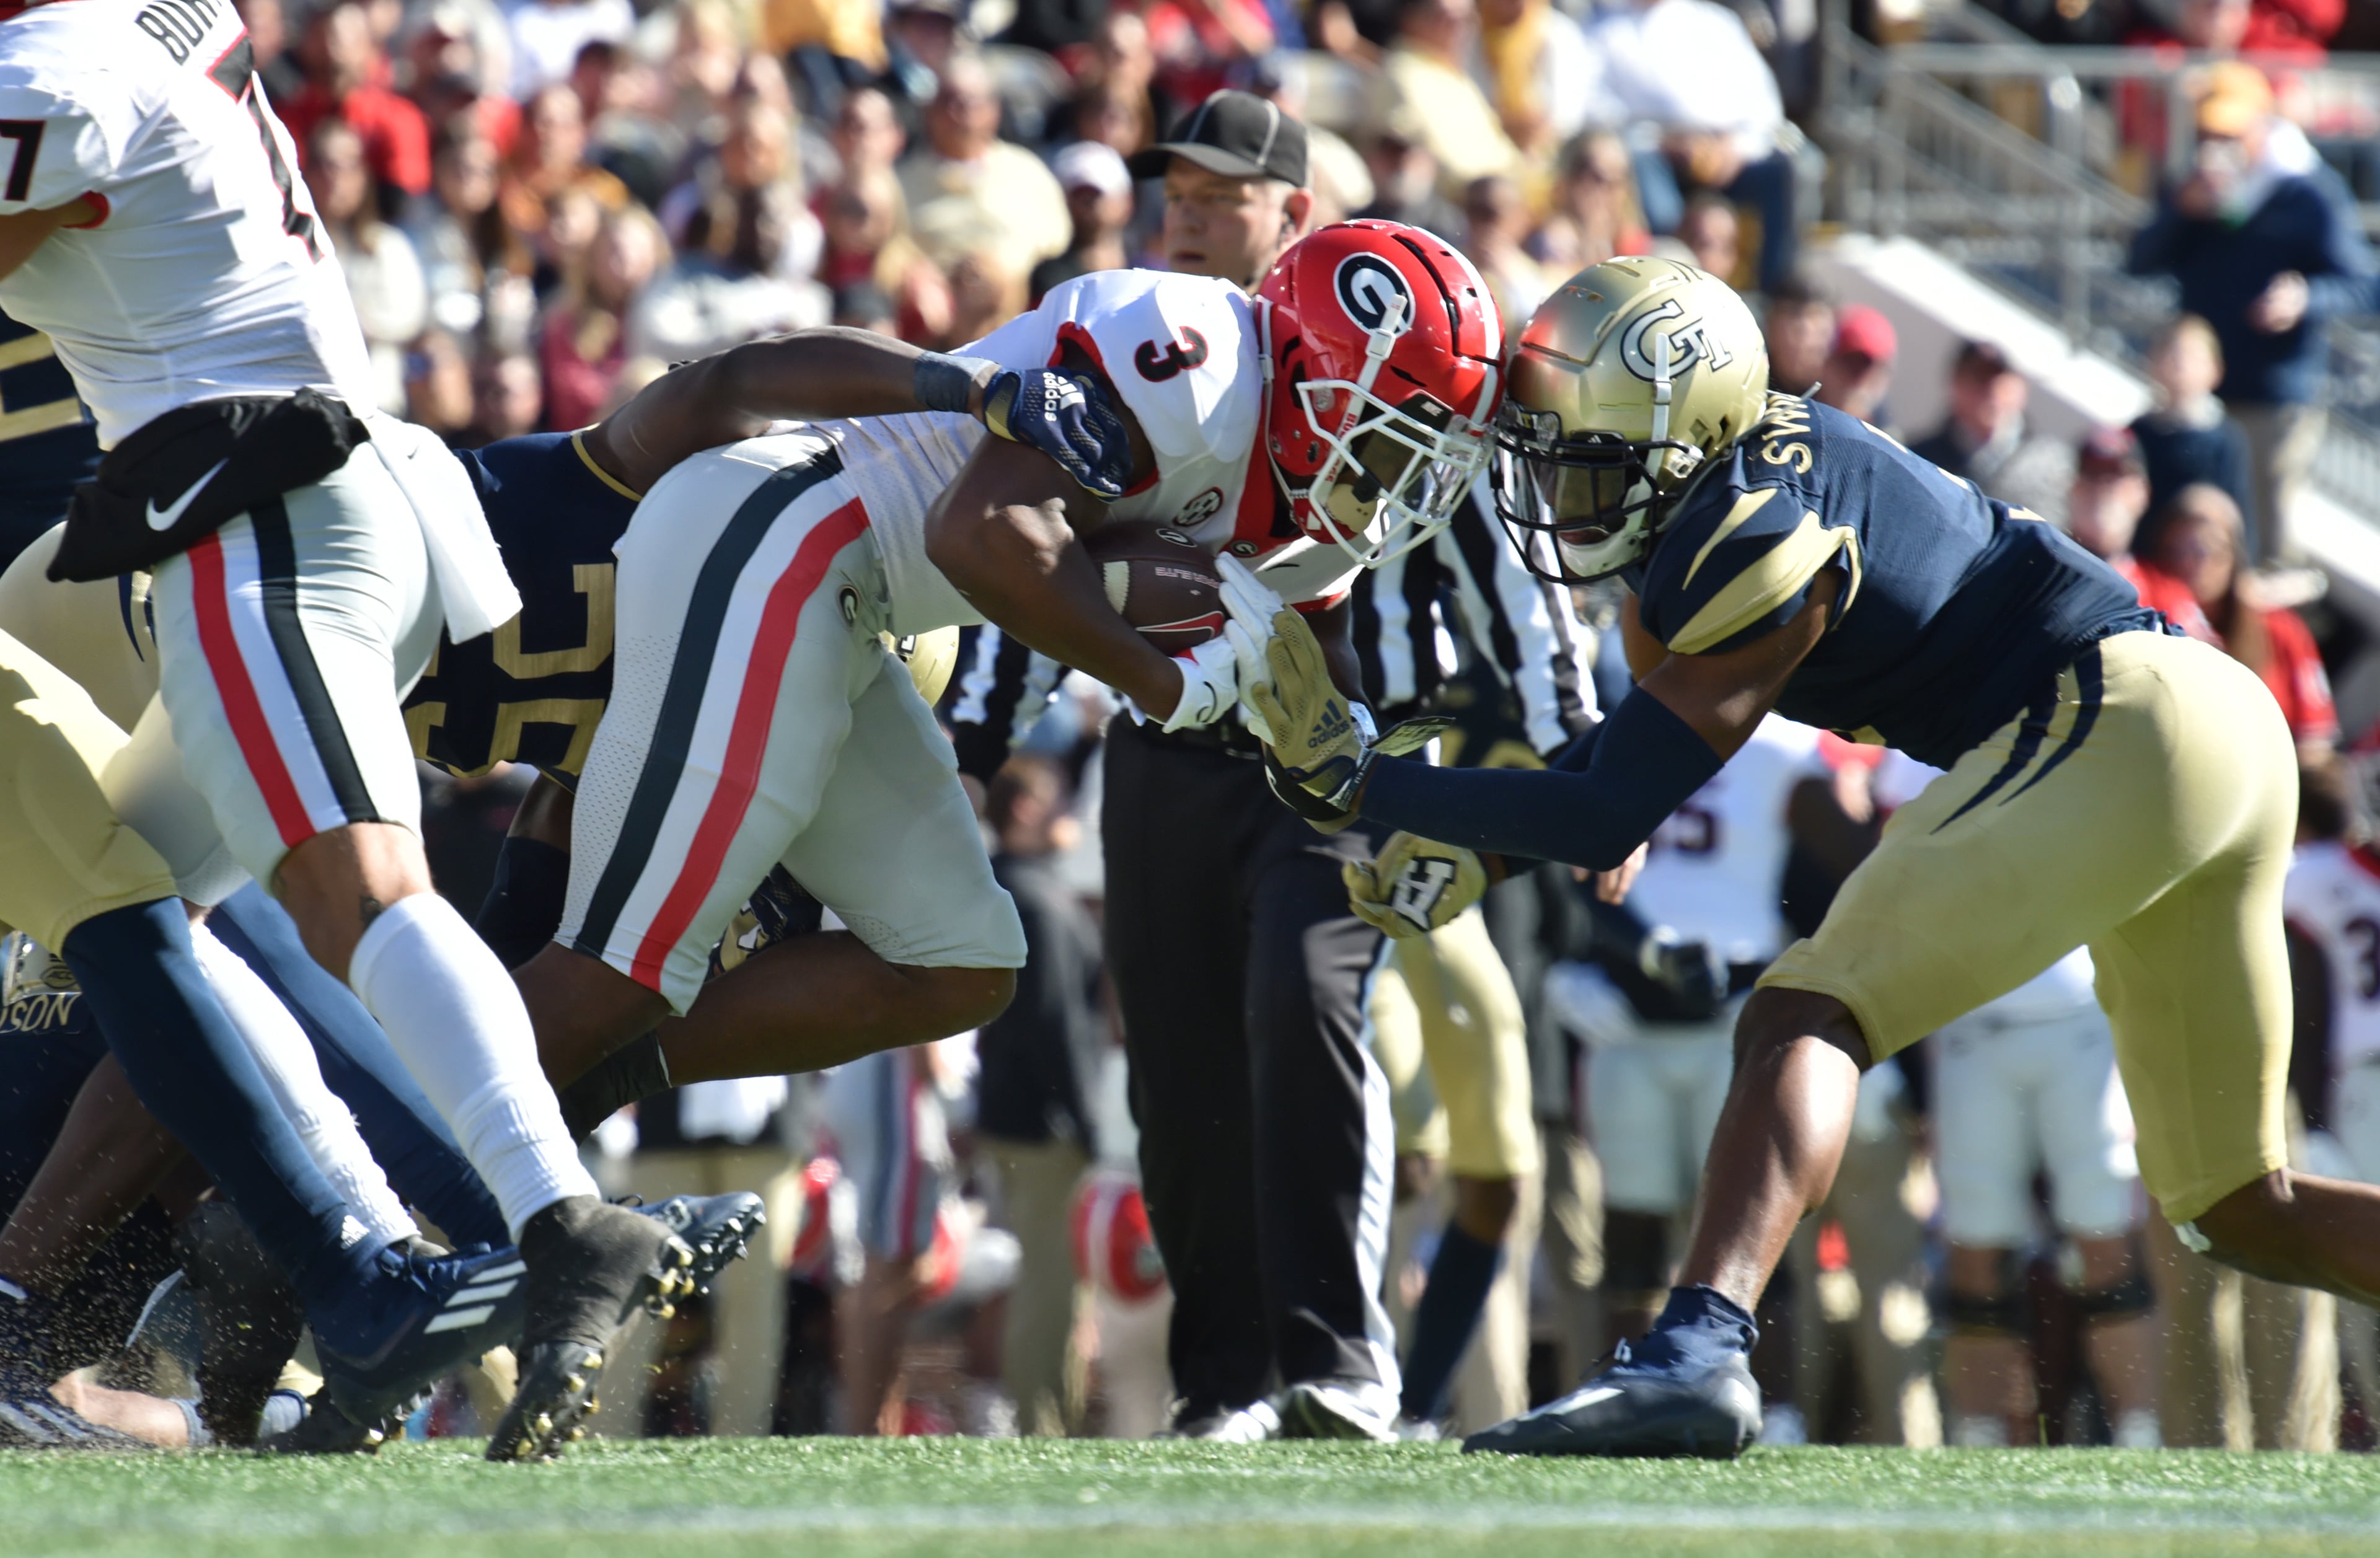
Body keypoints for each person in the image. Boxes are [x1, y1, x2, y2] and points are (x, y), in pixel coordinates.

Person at [1243, 255, 2380, 1459]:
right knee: (2245, 1208)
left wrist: (1362, 784)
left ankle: (1695, 1354)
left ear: (1683, 435)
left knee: (1805, 1010)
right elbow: (1605, 780)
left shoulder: (1749, 526)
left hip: (2128, 720)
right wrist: (1471, 823)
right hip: (2203, 731)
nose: (1562, 495)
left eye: (1586, 461)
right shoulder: (1755, 480)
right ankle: (1693, 1354)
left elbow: (1603, 810)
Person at [0, 0, 691, 1464]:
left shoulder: (48, 69)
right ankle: (355, 1264)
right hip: (296, 491)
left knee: (353, 899)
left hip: (254, 513)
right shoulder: (136, 21)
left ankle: (555, 1221)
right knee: (145, 913)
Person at [946, 107, 1503, 1443]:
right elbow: (1035, 558)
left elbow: (1466, 549)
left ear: (1294, 220)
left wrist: (1561, 743)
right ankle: (1225, 1380)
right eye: (1174, 194)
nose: (1186, 216)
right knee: (1180, 1068)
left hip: (1325, 750)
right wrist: (977, 737)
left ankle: (1337, 1356)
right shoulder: (1152, 361)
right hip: (1166, 739)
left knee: (1300, 1002)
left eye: (1220, 196)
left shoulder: (1376, 361)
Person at [2125, 64, 2374, 565]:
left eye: (2230, 133)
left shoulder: (2305, 192)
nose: (2218, 145)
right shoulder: (2194, 187)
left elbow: (2363, 282)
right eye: (2208, 133)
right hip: (2199, 395)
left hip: (2273, 395)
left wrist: (2306, 298)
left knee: (2262, 537)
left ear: (2261, 126)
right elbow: (2137, 261)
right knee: (2190, 532)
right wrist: (2182, 213)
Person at [974, 757, 1108, 1437]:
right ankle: (1042, 1426)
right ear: (1025, 809)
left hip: (1021, 1117)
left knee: (1053, 1281)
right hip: (1044, 1127)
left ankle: (1049, 1418)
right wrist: (1089, 1125)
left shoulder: (1016, 890)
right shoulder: (1035, 899)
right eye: (1056, 803)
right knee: (1052, 1286)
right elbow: (1060, 1029)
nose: (1068, 818)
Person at [2138, 483, 2338, 757]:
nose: (2195, 564)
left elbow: (2314, 741)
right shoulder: (2148, 598)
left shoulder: (2281, 629)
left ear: (2235, 555)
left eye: (2209, 549)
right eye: (2179, 549)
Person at [896, 54, 1072, 283]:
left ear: (994, 110)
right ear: (929, 111)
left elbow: (1055, 245)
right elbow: (892, 256)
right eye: (948, 100)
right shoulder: (900, 181)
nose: (959, 112)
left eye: (970, 102)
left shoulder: (1029, 173)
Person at [1908, 340, 2073, 525]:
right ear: (1955, 382)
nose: (1989, 392)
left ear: (2022, 388)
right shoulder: (1918, 460)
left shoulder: (2054, 472)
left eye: (1999, 381)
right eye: (1978, 378)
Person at [2129, 314, 2257, 554]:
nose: (2179, 365)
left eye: (2190, 357)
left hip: (2201, 554)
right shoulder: (2139, 432)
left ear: (2215, 369)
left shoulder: (2225, 437)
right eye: (2171, 354)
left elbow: (2237, 507)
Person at [1031, 141, 1135, 306]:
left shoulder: (1151, 270)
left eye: (1096, 194)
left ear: (1127, 201)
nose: (1087, 203)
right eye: (1078, 194)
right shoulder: (1048, 282)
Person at [1813, 304, 1895, 426]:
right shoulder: (1789, 417)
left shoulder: (1889, 442)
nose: (1857, 383)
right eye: (1850, 365)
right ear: (1827, 362)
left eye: (1867, 370)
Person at [1761, 275, 1832, 396]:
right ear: (1771, 325)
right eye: (1792, 314)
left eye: (1816, 315)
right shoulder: (1752, 382)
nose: (1804, 330)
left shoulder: (1839, 393)